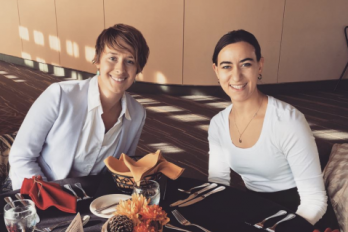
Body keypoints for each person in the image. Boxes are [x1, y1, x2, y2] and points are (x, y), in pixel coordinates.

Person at [208, 29, 327, 225]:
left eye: (245, 64)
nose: (236, 76)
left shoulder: (288, 121)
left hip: (300, 212)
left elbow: (314, 200)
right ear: (216, 71)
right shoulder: (217, 124)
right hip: (255, 206)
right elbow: (219, 182)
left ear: (259, 66)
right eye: (226, 66)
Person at [9, 24, 149, 190]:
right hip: (42, 192)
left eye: (130, 61)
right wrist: (49, 199)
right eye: (112, 58)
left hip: (93, 200)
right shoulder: (60, 95)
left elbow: (121, 168)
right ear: (97, 60)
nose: (120, 69)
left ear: (138, 69)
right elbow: (22, 157)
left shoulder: (137, 114)